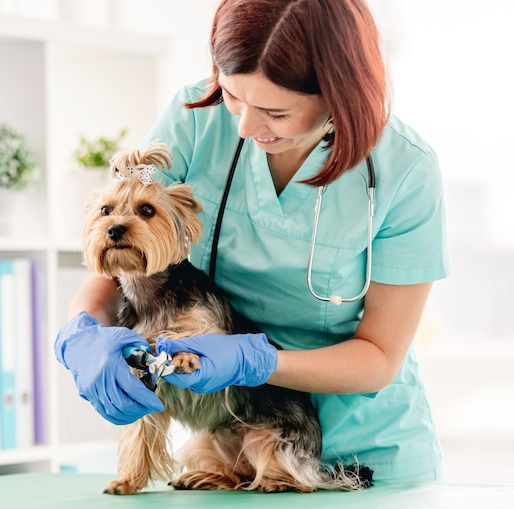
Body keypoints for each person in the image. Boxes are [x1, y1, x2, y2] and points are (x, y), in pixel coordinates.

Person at [55, 0, 449, 483]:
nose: (243, 125)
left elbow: (379, 357)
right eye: (234, 96)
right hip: (229, 445)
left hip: (364, 445)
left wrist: (253, 359)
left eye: (275, 112)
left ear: (339, 96)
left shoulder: (405, 171)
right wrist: (82, 332)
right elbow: (124, 248)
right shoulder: (195, 116)